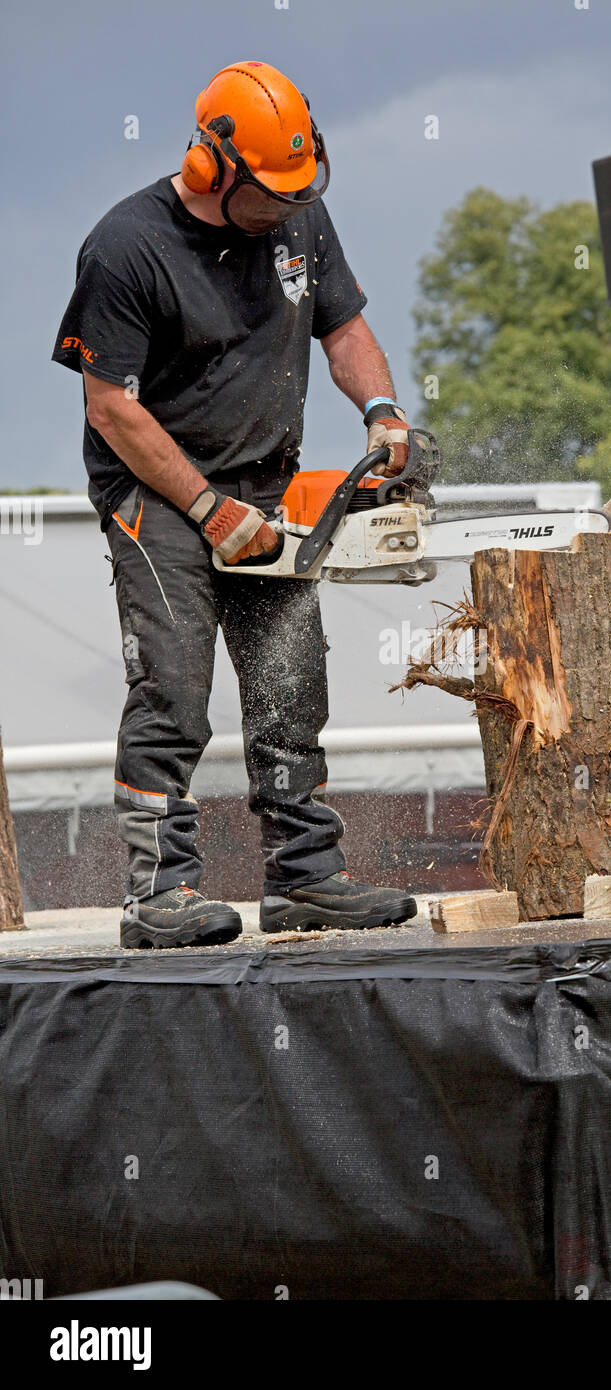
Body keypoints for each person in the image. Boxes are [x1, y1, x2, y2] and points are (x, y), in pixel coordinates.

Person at [52, 60, 418, 948]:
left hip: (269, 480)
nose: (289, 207)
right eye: (271, 192)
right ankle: (157, 892)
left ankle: (304, 876)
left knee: (293, 683)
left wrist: (382, 411)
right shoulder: (126, 248)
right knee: (173, 688)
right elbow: (111, 406)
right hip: (159, 494)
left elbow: (343, 324)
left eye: (302, 189)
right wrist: (209, 509)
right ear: (214, 166)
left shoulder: (299, 214)